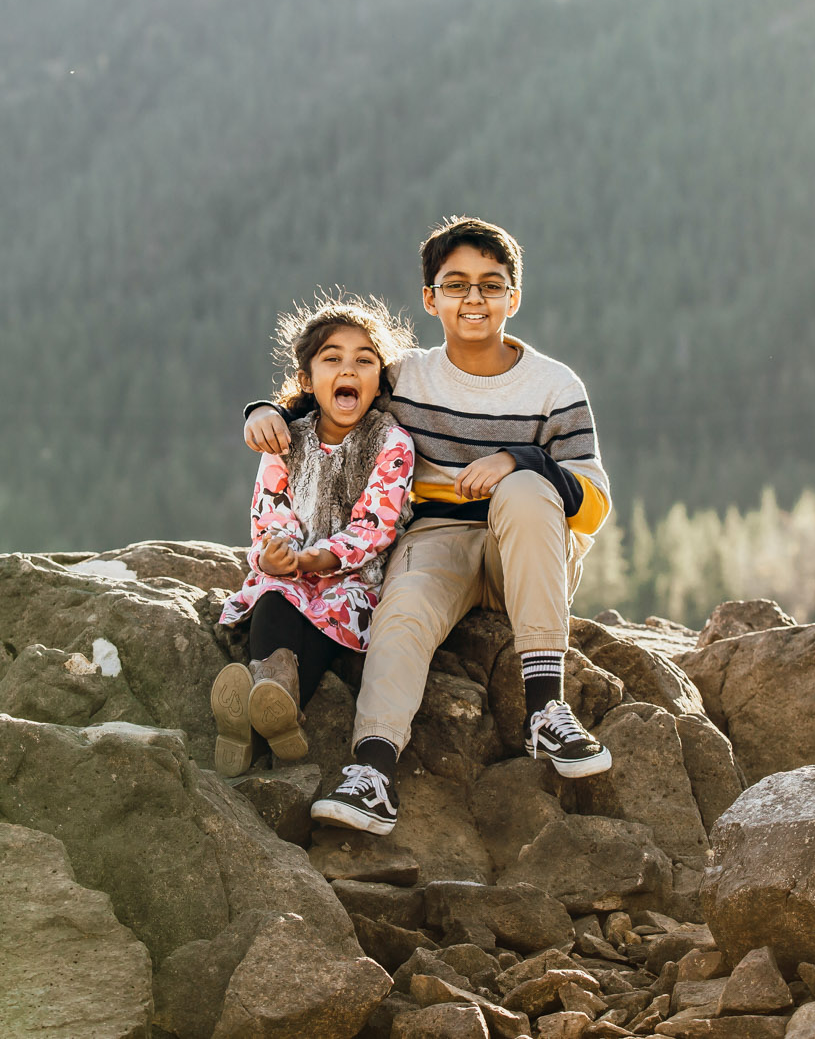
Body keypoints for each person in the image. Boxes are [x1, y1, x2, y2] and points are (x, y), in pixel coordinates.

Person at [244, 217, 613, 836]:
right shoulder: (407, 376)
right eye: (457, 284)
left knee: (525, 487)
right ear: (430, 298)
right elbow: (336, 397)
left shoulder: (555, 386)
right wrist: (266, 411)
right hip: (434, 538)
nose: (474, 299)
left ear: (514, 298)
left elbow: (594, 503)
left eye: (491, 285)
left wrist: (518, 459)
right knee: (403, 607)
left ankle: (546, 707)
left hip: (522, 550)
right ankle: (373, 770)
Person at [212, 295, 417, 778]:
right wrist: (276, 555)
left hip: (350, 577)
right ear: (307, 380)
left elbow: (375, 526)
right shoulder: (287, 439)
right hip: (292, 575)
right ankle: (274, 697)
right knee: (277, 598)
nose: (349, 368)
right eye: (333, 359)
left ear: (377, 381)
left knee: (333, 611)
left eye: (364, 361)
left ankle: (260, 716)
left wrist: (315, 561)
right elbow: (270, 512)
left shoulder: (390, 442)